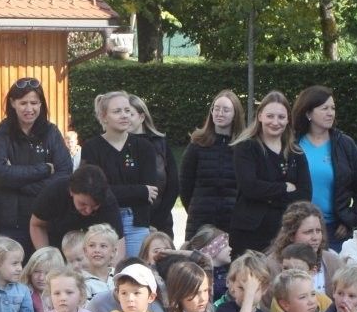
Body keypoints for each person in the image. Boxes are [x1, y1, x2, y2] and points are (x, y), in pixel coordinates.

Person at [0, 77, 72, 249]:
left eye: (34, 103)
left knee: (44, 273)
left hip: (45, 220)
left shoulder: (51, 132)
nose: (29, 109)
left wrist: (19, 183)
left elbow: (64, 175)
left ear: (41, 104)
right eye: (23, 103)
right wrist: (44, 169)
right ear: (13, 103)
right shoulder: (1, 133)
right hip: (10, 222)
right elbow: (1, 174)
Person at [230, 92, 311, 255]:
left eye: (281, 117)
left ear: (288, 119)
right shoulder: (246, 148)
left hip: (286, 233)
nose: (275, 122)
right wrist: (284, 188)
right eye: (270, 116)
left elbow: (305, 194)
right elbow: (250, 187)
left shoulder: (296, 152)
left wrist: (266, 194)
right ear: (260, 116)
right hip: (250, 235)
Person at [83, 92, 162, 258]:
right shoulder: (92, 148)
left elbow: (152, 191)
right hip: (104, 222)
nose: (124, 115)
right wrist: (140, 191)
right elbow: (95, 192)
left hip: (137, 222)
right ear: (104, 117)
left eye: (127, 110)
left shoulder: (144, 147)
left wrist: (114, 191)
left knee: (134, 272)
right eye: (117, 111)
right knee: (109, 273)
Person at [290, 85, 357, 244]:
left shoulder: (344, 144)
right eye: (324, 108)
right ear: (308, 113)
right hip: (296, 228)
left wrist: (350, 219)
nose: (330, 113)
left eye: (333, 108)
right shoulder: (293, 143)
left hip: (334, 230)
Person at [180, 91, 243, 240]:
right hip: (200, 221)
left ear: (235, 114)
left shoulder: (243, 147)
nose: (219, 113)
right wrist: (198, 209)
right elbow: (185, 185)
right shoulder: (197, 144)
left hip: (232, 221)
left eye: (226, 110)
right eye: (216, 108)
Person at [29, 164, 125, 251]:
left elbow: (118, 241)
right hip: (56, 244)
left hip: (92, 252)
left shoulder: (108, 200)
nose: (88, 211)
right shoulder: (55, 190)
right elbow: (37, 225)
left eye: (94, 206)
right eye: (83, 204)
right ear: (71, 191)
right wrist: (46, 257)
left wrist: (113, 269)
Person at [129, 95, 179, 240]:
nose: (125, 117)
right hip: (130, 222)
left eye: (130, 113)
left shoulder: (160, 143)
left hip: (160, 220)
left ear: (142, 116)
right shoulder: (119, 146)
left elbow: (173, 184)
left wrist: (158, 219)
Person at [266, 202, 341, 298]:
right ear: (291, 235)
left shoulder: (333, 262)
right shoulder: (272, 266)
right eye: (308, 232)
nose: (315, 237)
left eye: (318, 231)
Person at [80, 224, 118, 301]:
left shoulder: (119, 276)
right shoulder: (81, 281)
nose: (97, 250)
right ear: (85, 251)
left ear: (113, 251)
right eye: (92, 245)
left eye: (103, 246)